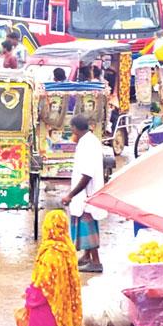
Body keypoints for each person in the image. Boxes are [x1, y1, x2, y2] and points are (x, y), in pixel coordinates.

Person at [61, 115, 105, 273]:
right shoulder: (87, 141)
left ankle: (96, 261)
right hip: (85, 194)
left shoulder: (88, 144)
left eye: (71, 128)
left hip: (87, 194)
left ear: (75, 128)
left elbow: (87, 175)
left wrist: (70, 195)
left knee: (88, 226)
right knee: (84, 224)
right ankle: (87, 256)